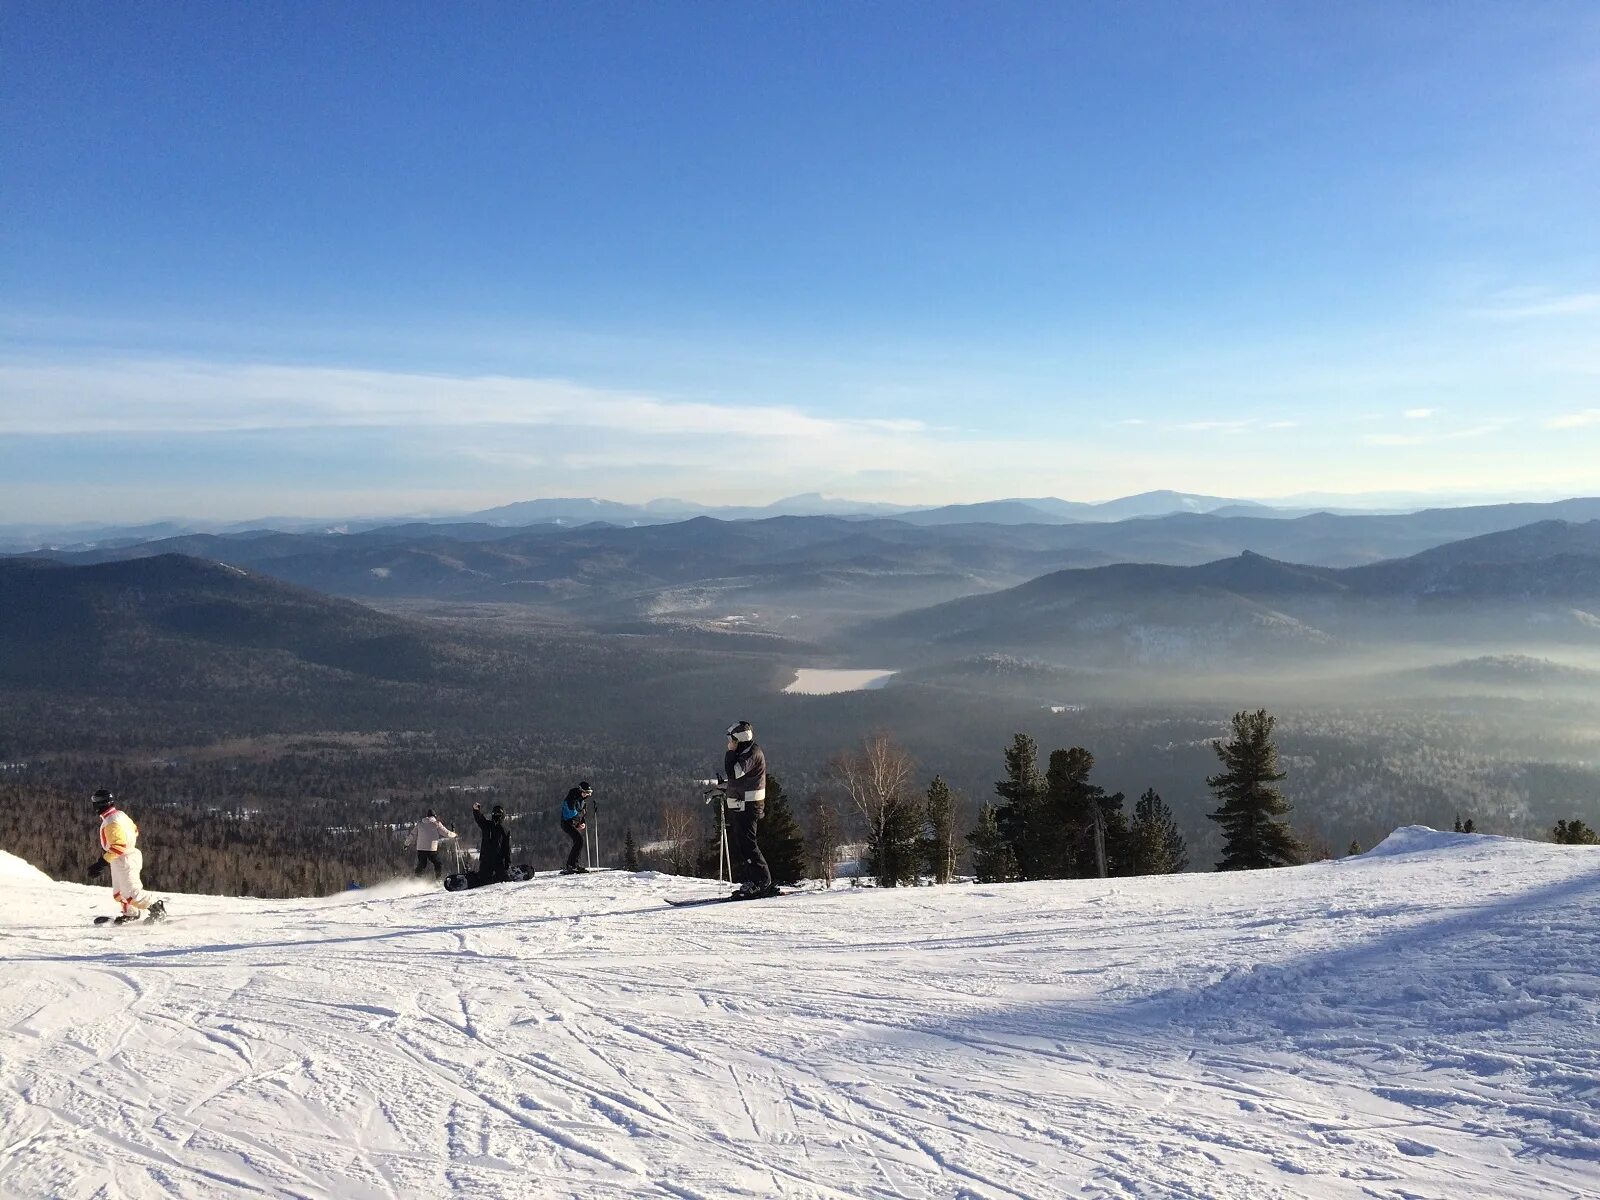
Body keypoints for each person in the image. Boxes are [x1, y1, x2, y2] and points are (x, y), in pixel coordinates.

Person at [89, 789, 167, 923]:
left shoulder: (111, 822)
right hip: (122, 857)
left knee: (132, 892)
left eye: (95, 803)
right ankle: (131, 913)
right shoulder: (119, 815)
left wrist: (101, 863)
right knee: (119, 893)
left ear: (99, 805)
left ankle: (157, 908)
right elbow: (135, 830)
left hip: (125, 858)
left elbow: (118, 846)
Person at [722, 721, 775, 898]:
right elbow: (739, 779)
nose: (730, 743)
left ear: (740, 739)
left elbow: (735, 772)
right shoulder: (746, 751)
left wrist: (730, 753)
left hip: (749, 806)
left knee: (749, 845)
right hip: (742, 805)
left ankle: (762, 881)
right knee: (744, 846)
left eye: (732, 740)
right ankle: (755, 880)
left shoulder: (752, 753)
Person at [472, 802, 511, 884]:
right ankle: (479, 878)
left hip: (498, 860)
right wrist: (476, 811)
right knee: (484, 880)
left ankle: (497, 876)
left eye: (498, 814)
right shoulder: (487, 825)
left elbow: (506, 847)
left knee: (502, 878)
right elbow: (480, 819)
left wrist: (507, 863)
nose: (496, 816)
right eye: (495, 814)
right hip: (487, 859)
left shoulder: (504, 830)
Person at [560, 782, 593, 874]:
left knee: (578, 841)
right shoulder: (571, 798)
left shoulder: (582, 800)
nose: (588, 795)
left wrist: (582, 823)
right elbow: (570, 813)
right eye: (586, 792)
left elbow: (583, 814)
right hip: (566, 823)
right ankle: (571, 865)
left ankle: (573, 864)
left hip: (572, 823)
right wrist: (578, 820)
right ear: (581, 790)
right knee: (579, 840)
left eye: (589, 793)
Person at [413, 809, 456, 878]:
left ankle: (416, 878)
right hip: (431, 848)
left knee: (422, 864)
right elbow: (446, 833)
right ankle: (438, 879)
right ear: (434, 816)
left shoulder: (420, 823)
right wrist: (454, 834)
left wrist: (406, 844)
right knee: (437, 863)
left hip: (420, 848)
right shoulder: (436, 823)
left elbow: (413, 834)